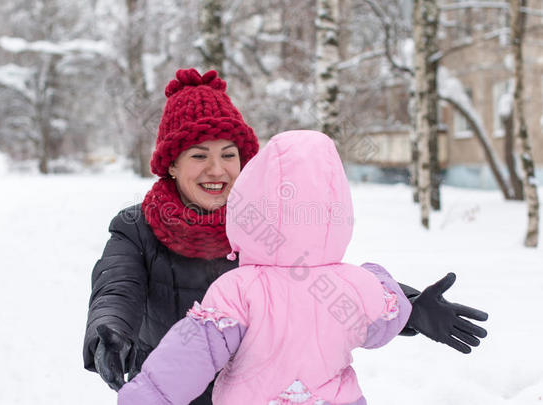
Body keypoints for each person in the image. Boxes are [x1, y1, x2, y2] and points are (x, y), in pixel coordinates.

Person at [83, 69, 488, 405]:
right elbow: (117, 285)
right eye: (199, 155)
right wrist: (111, 328)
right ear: (171, 164)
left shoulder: (268, 220)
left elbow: (322, 281)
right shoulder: (138, 226)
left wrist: (411, 307)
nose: (217, 169)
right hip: (169, 388)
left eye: (228, 154)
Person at [118, 129, 415, 404]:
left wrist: (144, 397)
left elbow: (192, 355)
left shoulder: (237, 288)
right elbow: (386, 323)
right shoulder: (356, 283)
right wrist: (381, 280)